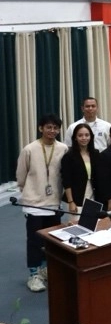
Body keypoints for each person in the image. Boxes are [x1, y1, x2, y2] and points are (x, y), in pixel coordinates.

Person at [17, 114, 68, 292]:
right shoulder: (29, 149)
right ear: (41, 128)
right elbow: (21, 176)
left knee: (53, 240)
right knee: (34, 240)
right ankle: (34, 275)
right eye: (48, 127)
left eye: (55, 128)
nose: (52, 131)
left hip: (54, 202)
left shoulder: (63, 148)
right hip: (34, 203)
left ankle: (46, 269)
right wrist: (30, 191)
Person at [62, 124, 104, 217]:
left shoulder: (96, 154)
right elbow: (66, 181)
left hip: (94, 196)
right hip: (77, 198)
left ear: (91, 137)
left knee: (93, 226)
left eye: (87, 135)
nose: (84, 138)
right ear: (75, 138)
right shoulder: (69, 156)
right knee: (77, 227)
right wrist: (71, 201)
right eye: (80, 135)